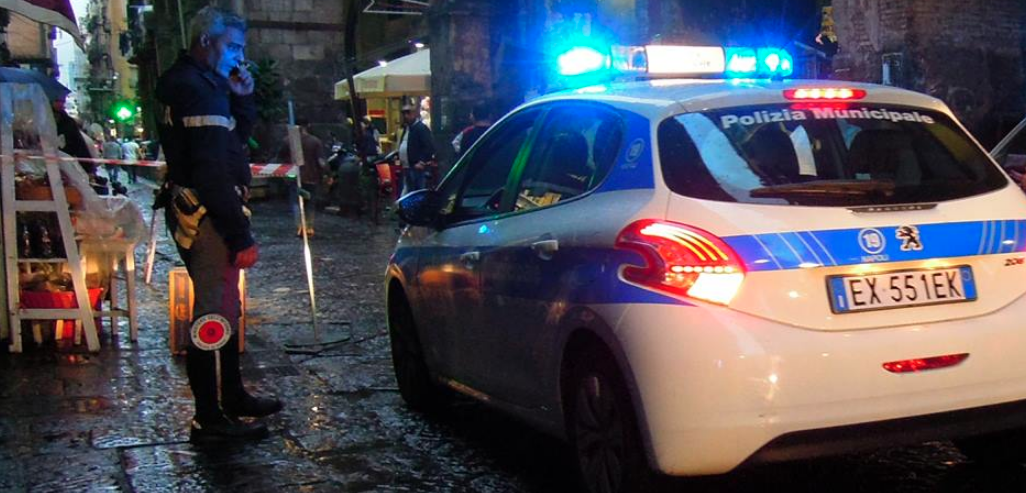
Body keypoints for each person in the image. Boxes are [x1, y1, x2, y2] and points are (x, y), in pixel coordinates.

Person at [156, 5, 281, 442]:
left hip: (200, 207)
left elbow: (232, 140)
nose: (239, 57)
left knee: (226, 307)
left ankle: (232, 395)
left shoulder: (196, 83)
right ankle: (209, 418)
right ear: (206, 41)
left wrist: (242, 97)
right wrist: (239, 234)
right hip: (208, 212)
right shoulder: (198, 89)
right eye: (233, 47)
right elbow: (212, 169)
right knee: (213, 313)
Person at [292, 121, 325, 236]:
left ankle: (299, 226)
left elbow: (281, 157)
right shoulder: (315, 141)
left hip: (295, 176)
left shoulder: (290, 142)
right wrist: (326, 174)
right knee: (310, 201)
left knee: (297, 201)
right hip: (311, 176)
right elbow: (321, 161)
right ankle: (309, 227)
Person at [398, 103, 434, 194]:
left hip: (417, 168)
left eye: (408, 113)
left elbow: (429, 146)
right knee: (410, 192)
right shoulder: (407, 129)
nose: (406, 116)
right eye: (404, 113)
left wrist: (422, 162)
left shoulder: (421, 128)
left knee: (417, 192)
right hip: (407, 167)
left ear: (414, 114)